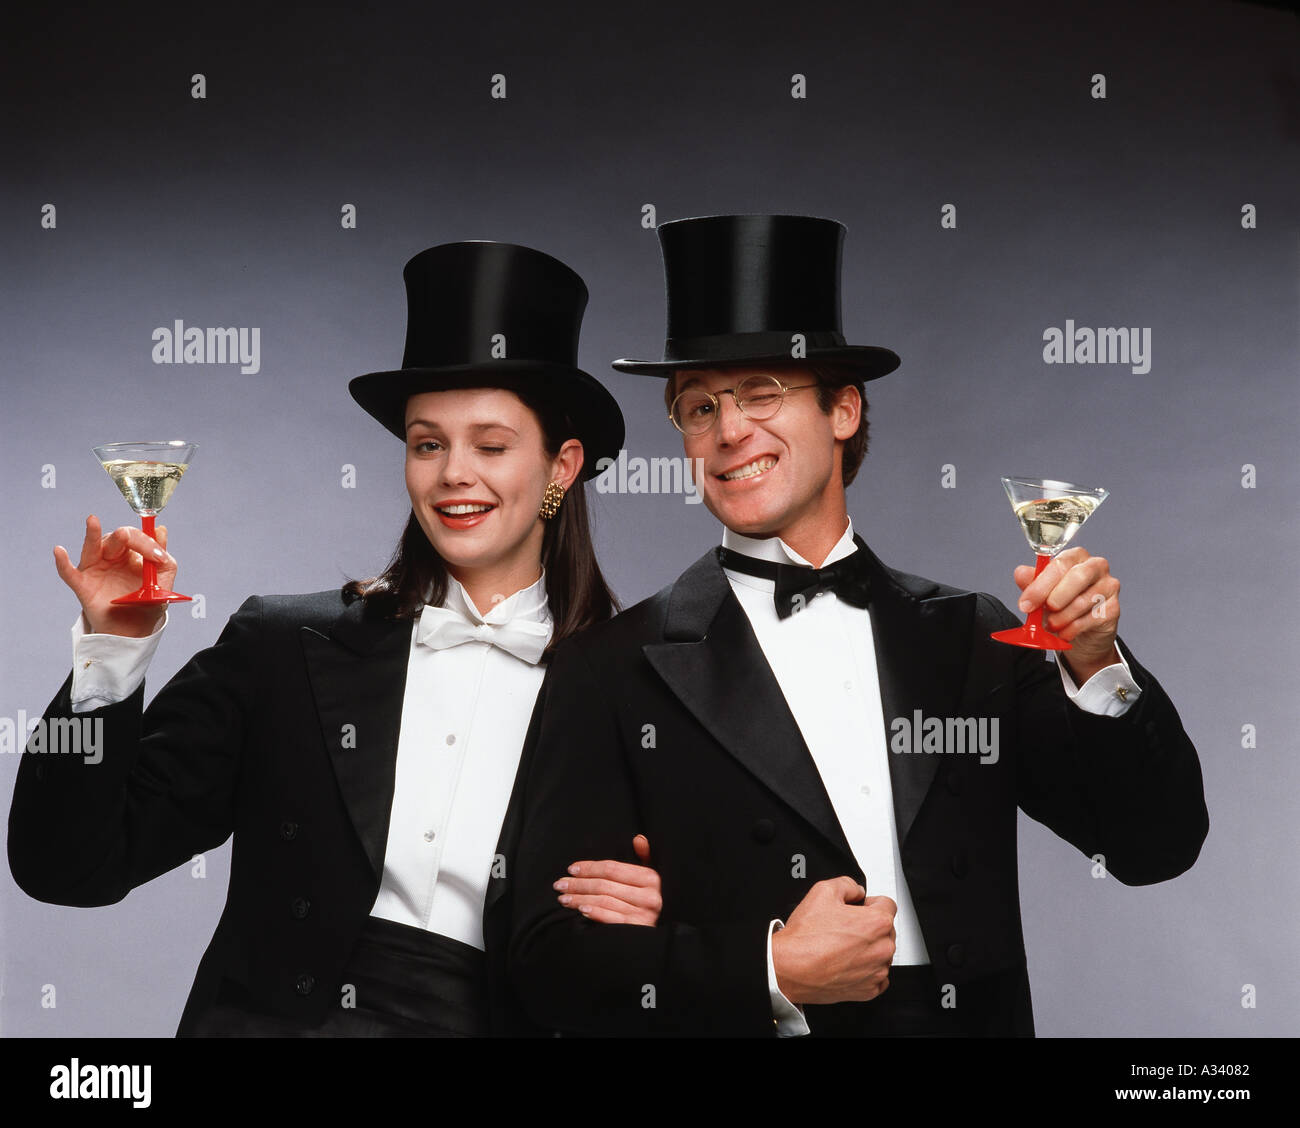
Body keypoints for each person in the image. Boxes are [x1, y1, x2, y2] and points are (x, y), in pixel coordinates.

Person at [507, 214, 1209, 1037]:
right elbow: (545, 966)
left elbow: (1152, 848)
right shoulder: (609, 669)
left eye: (762, 393)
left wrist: (1094, 663)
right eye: (698, 407)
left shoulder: (970, 638)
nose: (729, 432)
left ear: (842, 409)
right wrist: (766, 968)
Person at [8, 240, 663, 1037]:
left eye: (491, 445)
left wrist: (658, 921)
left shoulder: (631, 695)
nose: (454, 473)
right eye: (428, 443)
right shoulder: (284, 647)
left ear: (562, 467)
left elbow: (666, 959)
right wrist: (108, 656)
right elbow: (69, 866)